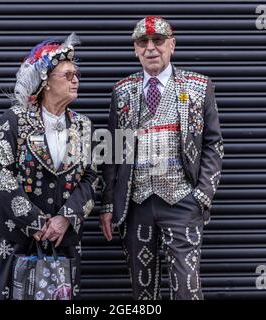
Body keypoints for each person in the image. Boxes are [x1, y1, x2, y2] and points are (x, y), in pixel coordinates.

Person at [100, 16, 223, 300]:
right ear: (135, 49)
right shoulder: (122, 92)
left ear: (172, 45)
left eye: (158, 41)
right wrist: (108, 204)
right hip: (137, 204)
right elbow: (113, 151)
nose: (151, 48)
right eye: (143, 42)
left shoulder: (199, 87)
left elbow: (213, 145)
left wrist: (202, 196)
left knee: (186, 287)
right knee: (142, 291)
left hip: (182, 202)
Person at [0, 33, 98, 300]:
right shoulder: (15, 119)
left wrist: (65, 219)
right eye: (67, 75)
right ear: (46, 81)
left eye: (76, 74)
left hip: (64, 238)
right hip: (17, 237)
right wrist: (37, 222)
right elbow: (3, 174)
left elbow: (92, 178)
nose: (75, 80)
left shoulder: (83, 125)